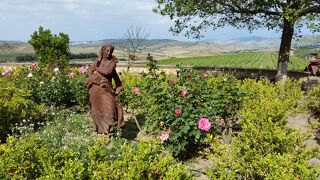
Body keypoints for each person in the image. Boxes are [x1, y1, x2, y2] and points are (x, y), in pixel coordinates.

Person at [85, 44, 125, 134]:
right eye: (107, 51)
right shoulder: (98, 61)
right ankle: (100, 130)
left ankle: (110, 128)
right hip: (96, 88)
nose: (109, 53)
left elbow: (108, 72)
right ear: (102, 51)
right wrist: (92, 78)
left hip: (106, 89)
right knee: (96, 109)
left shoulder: (112, 62)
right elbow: (90, 70)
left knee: (109, 110)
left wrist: (97, 69)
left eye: (110, 51)